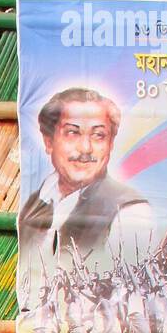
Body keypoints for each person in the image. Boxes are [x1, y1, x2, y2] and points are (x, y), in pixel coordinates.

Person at [19, 87, 154, 272]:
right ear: (48, 141)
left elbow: (128, 289)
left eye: (98, 135)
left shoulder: (129, 210)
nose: (85, 148)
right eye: (72, 133)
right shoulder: (36, 204)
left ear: (110, 144)